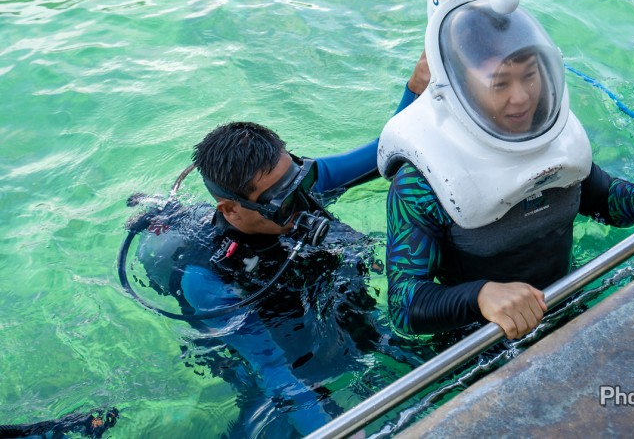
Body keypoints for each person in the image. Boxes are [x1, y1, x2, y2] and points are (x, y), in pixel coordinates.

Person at [377, 0, 634, 339]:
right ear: (461, 87)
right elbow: (405, 308)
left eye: (530, 75)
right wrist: (480, 297)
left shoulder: (554, 135)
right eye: (499, 84)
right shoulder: (421, 182)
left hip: (565, 303)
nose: (521, 98)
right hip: (477, 342)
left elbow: (605, 202)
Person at [130, 56, 428, 437]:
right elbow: (275, 375)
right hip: (281, 357)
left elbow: (382, 150)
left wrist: (415, 86)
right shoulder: (207, 278)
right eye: (281, 201)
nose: (301, 201)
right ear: (230, 208)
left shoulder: (292, 188)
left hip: (337, 320)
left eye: (299, 181)